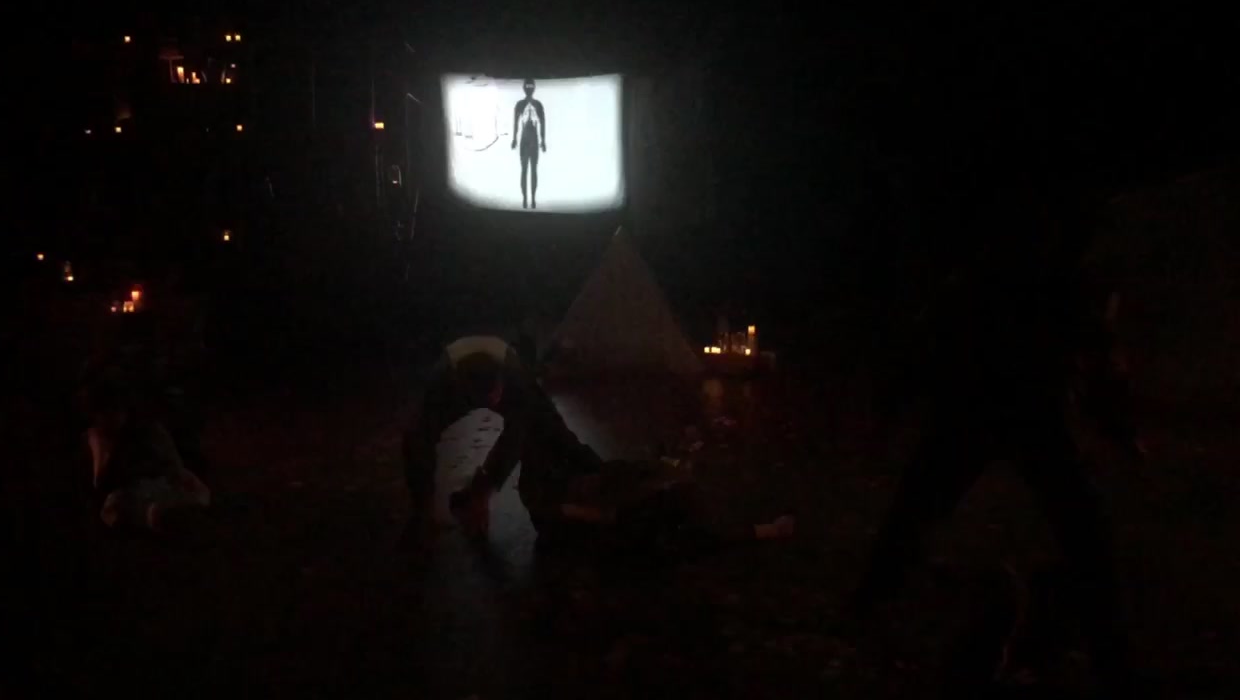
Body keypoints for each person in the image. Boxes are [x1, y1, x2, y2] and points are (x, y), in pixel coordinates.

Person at [852, 200, 1144, 690]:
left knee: (1075, 525)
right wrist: (1118, 427)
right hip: (1002, 408)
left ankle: (872, 596)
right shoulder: (1043, 283)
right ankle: (1109, 646)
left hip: (1004, 409)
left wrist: (891, 409)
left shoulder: (1021, 282)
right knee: (1075, 525)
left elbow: (924, 345)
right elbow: (1097, 358)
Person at [402, 336, 794, 550]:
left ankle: (597, 473)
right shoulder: (440, 391)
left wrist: (485, 488)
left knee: (553, 434)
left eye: (496, 398)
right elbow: (417, 443)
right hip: (573, 500)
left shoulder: (516, 383)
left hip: (582, 489)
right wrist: (424, 510)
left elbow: (521, 437)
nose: (491, 405)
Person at [85, 378, 210, 532]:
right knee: (120, 506)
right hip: (131, 495)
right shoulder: (97, 438)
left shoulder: (148, 431)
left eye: (116, 409)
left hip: (161, 485)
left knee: (194, 489)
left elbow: (173, 466)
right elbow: (100, 481)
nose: (113, 417)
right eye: (106, 412)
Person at [511, 79, 546, 210]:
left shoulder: (538, 105)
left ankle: (533, 198)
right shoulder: (520, 105)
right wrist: (514, 138)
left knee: (533, 170)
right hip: (525, 140)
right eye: (527, 86)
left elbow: (543, 123)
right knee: (524, 170)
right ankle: (525, 199)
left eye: (531, 86)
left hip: (533, 140)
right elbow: (515, 123)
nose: (529, 88)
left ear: (534, 88)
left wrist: (543, 140)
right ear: (524, 88)